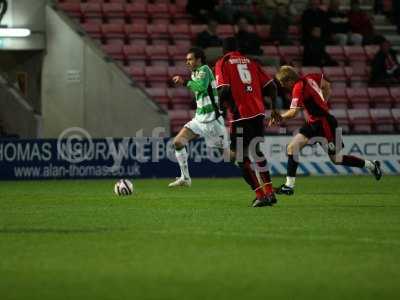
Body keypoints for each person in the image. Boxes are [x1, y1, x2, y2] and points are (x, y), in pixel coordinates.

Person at [270, 66, 382, 195]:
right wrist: (323, 102)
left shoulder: (298, 87)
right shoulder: (310, 77)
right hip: (313, 122)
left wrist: (279, 117)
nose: (284, 86)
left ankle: (371, 165)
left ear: (290, 80)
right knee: (292, 148)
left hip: (325, 124)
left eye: (284, 83)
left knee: (337, 159)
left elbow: (294, 113)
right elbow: (327, 86)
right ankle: (289, 186)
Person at [215, 37, 280, 207]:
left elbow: (225, 88)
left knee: (240, 158)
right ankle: (270, 192)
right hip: (258, 113)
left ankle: (260, 195)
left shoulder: (223, 62)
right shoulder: (251, 62)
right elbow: (272, 87)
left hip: (240, 115)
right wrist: (273, 109)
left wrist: (219, 108)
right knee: (257, 152)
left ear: (223, 50)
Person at [168, 48, 229, 188]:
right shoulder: (195, 72)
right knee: (177, 142)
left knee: (229, 157)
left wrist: (184, 82)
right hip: (199, 119)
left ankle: (254, 169)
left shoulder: (205, 69)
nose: (187, 62)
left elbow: (201, 87)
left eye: (190, 59)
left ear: (199, 60)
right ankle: (185, 178)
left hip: (212, 120)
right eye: (186, 60)